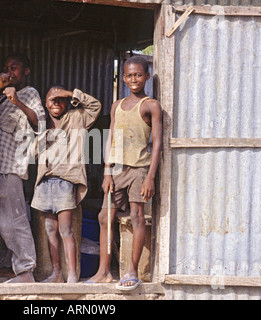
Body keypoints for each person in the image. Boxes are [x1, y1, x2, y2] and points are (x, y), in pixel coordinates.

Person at [87, 55, 162, 290]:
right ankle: (104, 271)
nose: (133, 79)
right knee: (103, 217)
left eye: (138, 75)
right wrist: (107, 171)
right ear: (123, 78)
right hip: (116, 169)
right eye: (129, 75)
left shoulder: (151, 105)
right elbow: (110, 139)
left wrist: (150, 176)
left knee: (137, 217)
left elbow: (158, 142)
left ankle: (132, 269)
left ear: (147, 77)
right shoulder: (116, 105)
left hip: (139, 169)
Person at [0, 52, 45, 283]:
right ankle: (11, 264)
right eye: (6, 67)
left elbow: (40, 121)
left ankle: (26, 270)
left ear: (26, 71)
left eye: (14, 68)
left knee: (14, 219)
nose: (9, 72)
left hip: (12, 166)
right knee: (0, 221)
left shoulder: (28, 94)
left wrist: (17, 101)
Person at [31, 86, 101, 283]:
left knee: (66, 230)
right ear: (45, 104)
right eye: (52, 99)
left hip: (65, 181)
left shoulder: (77, 118)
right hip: (44, 182)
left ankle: (71, 274)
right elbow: (32, 152)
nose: (56, 103)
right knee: (50, 230)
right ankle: (56, 274)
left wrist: (70, 94)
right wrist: (43, 140)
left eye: (60, 99)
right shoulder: (42, 125)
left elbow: (95, 106)